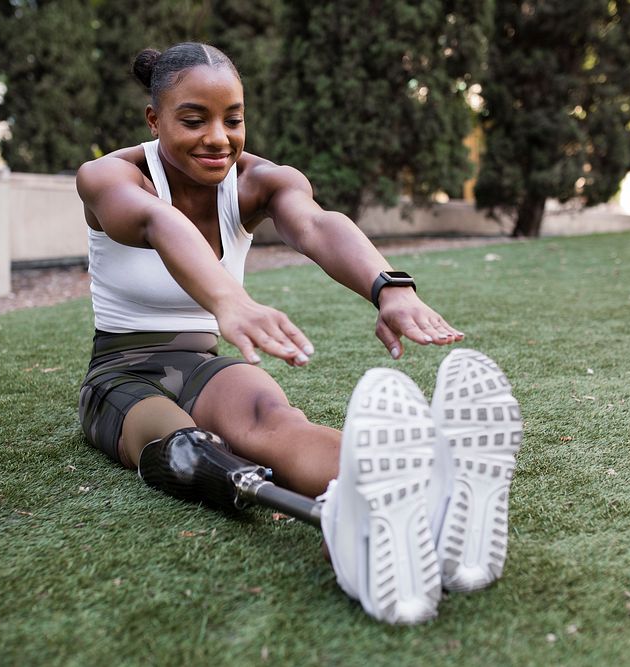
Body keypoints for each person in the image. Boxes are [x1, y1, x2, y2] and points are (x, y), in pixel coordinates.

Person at [75, 42, 522, 624]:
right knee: (187, 447)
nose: (217, 137)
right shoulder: (110, 176)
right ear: (154, 119)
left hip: (205, 364)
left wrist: (389, 288)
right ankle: (351, 521)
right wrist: (230, 300)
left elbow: (314, 224)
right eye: (194, 120)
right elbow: (159, 222)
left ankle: (429, 498)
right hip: (119, 373)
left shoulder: (257, 179)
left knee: (274, 423)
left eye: (232, 119)